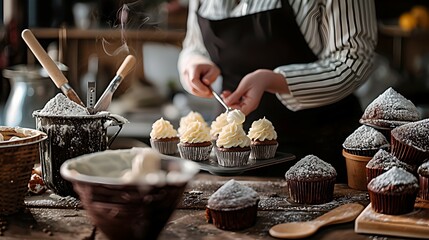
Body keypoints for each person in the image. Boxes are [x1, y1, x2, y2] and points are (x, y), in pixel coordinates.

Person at [177, 0, 377, 182]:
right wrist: (193, 63)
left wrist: (276, 81)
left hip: (315, 147)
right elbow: (193, 46)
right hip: (227, 153)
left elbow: (354, 59)